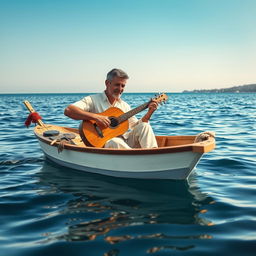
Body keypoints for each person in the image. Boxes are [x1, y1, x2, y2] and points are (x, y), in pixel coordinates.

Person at [64, 68, 158, 149]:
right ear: (107, 83)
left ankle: (153, 156)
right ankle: (138, 159)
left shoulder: (124, 105)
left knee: (145, 126)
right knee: (115, 142)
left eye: (123, 86)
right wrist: (96, 117)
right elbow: (69, 110)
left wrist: (149, 113)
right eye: (117, 84)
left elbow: (136, 126)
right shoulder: (93, 100)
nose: (120, 89)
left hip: (124, 142)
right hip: (105, 144)